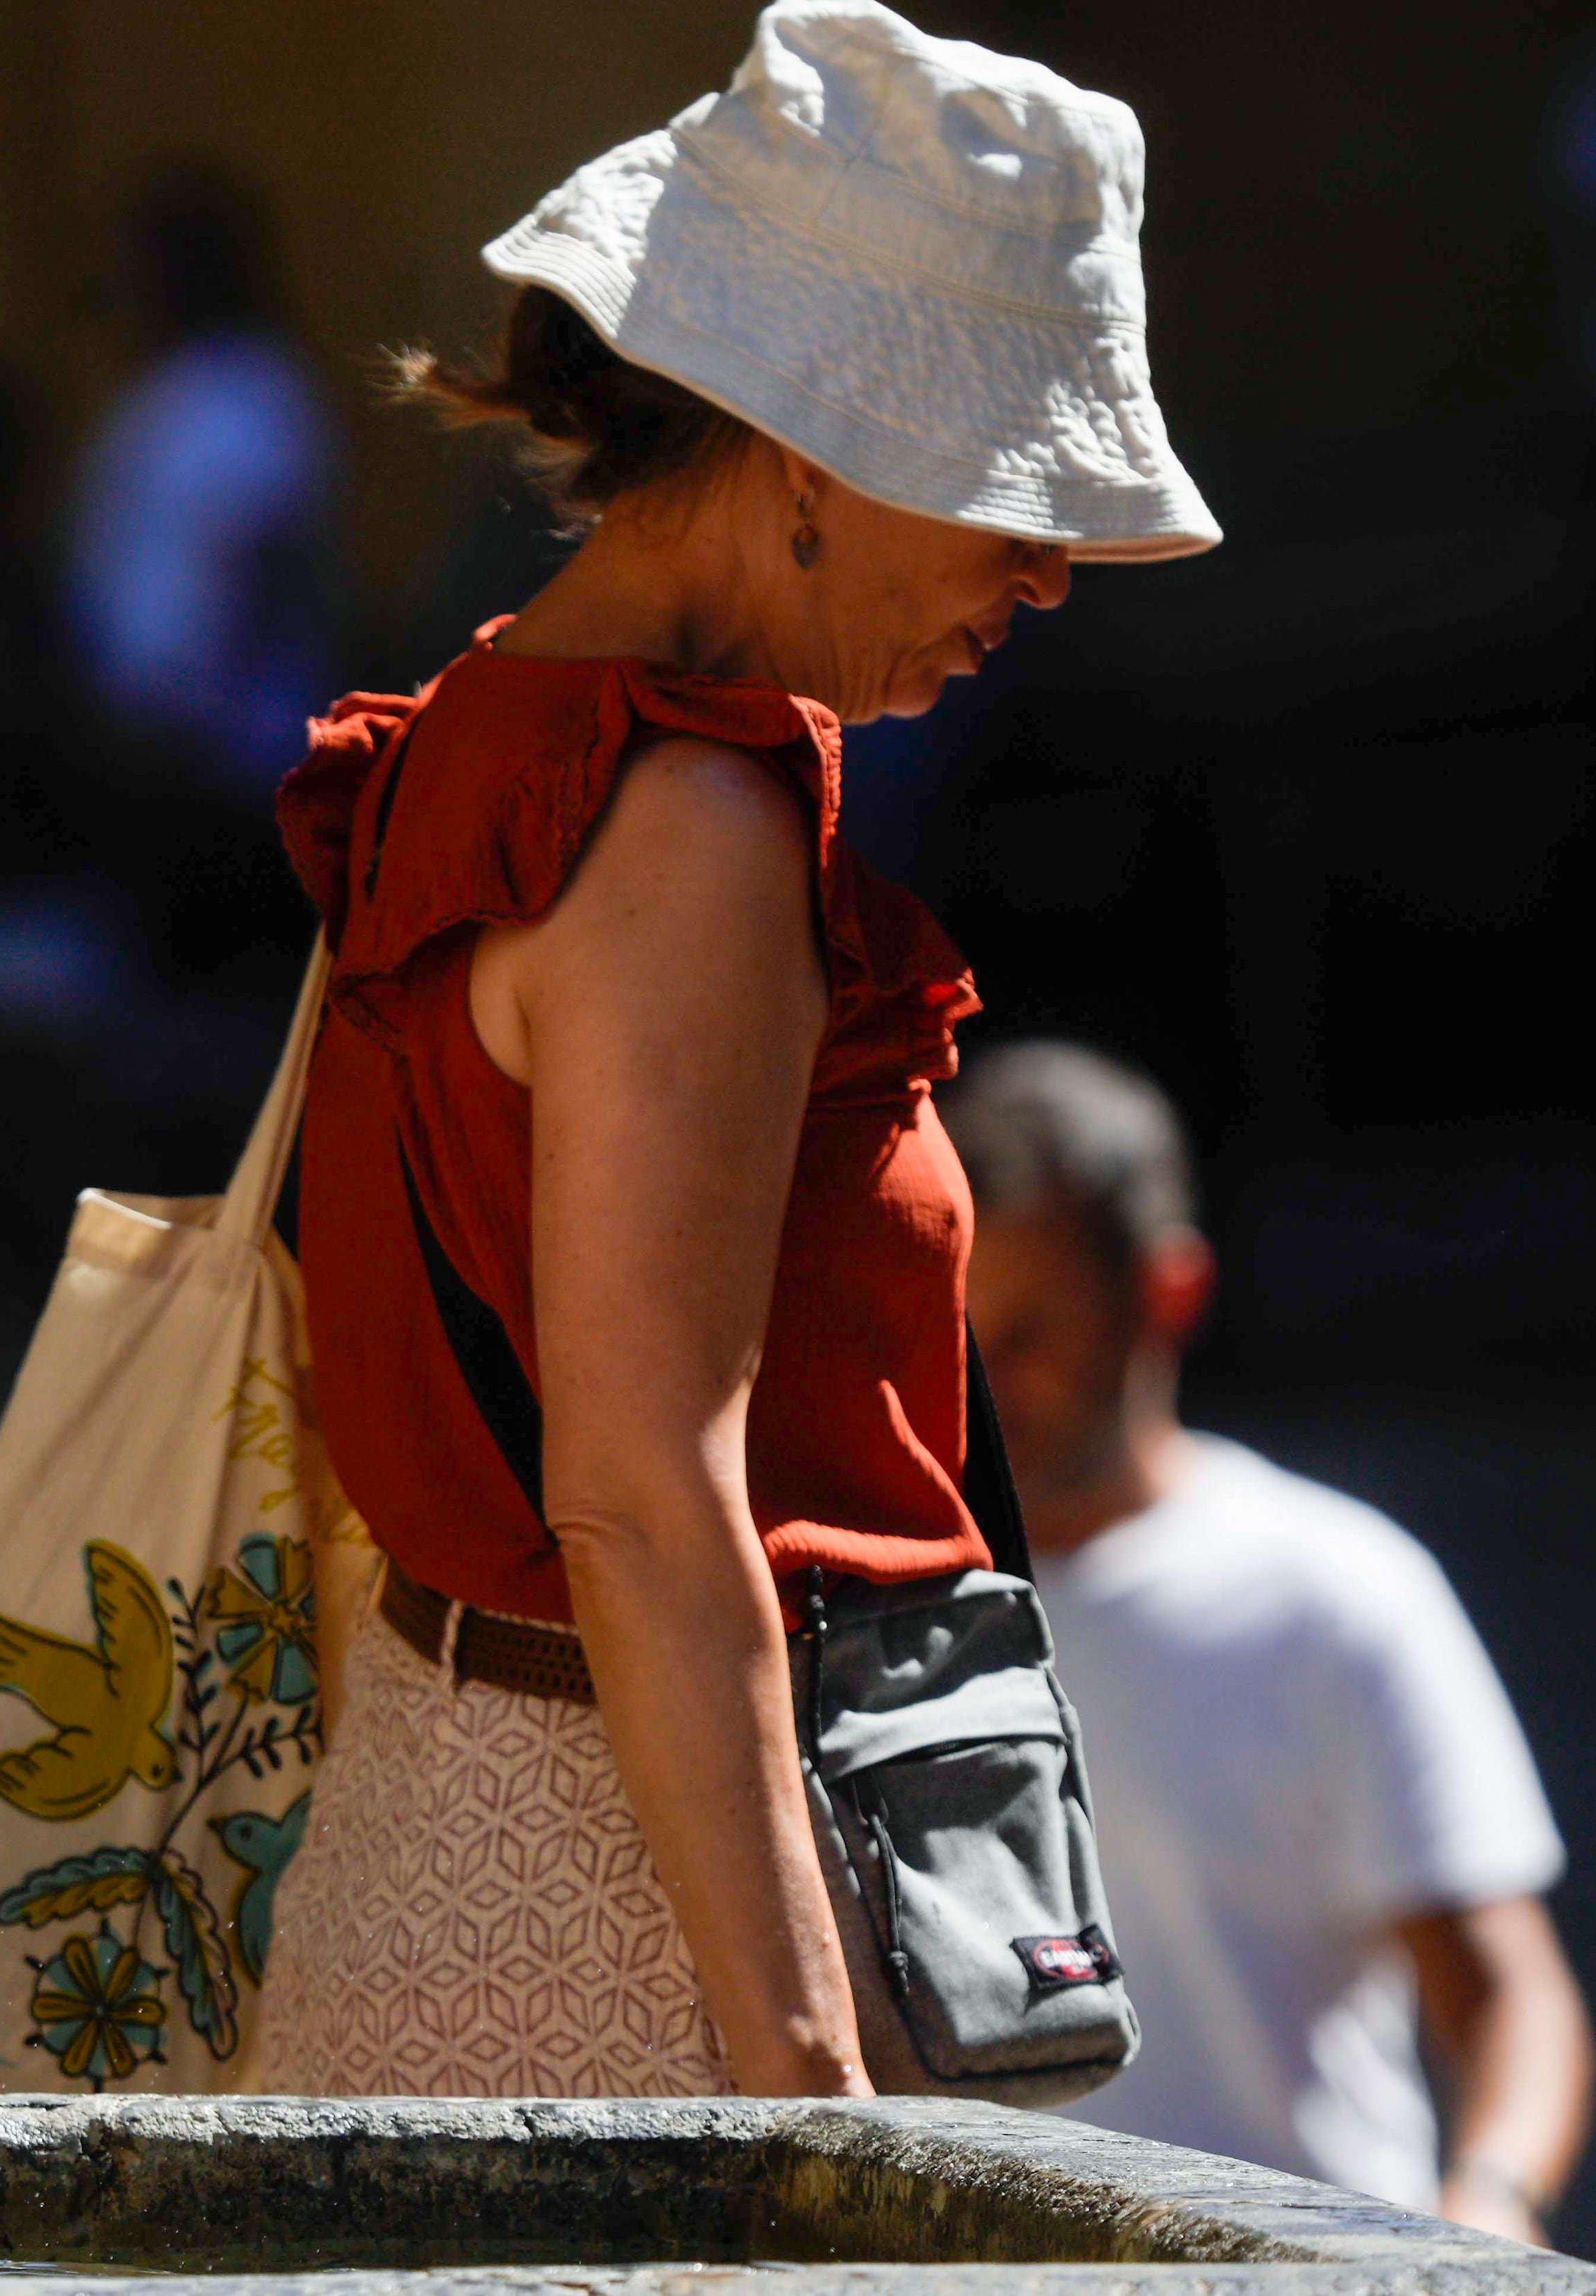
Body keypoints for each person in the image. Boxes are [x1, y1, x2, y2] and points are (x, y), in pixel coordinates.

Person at [259, 1, 1219, 2100]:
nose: (1049, 576)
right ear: (813, 446)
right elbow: (641, 1500)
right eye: (1009, 497)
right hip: (639, 1909)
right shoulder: (683, 822)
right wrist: (811, 2098)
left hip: (463, 1826)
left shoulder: (486, 730)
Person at [941, 1042, 1596, 2240]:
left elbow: (1507, 1991)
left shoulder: (1336, 1589)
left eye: (1030, 1332)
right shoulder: (903, 1606)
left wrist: (1491, 2212)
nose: (988, 1384)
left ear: (1168, 1293)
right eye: (961, 1332)